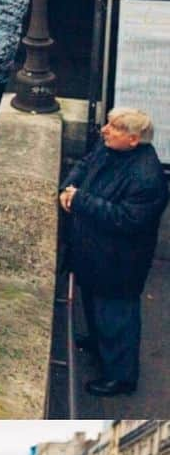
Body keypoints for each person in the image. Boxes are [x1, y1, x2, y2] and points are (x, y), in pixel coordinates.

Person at [59, 106, 168, 397]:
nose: (104, 130)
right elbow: (85, 163)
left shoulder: (148, 177)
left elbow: (126, 219)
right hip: (97, 255)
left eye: (114, 127)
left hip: (119, 263)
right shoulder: (111, 148)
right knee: (97, 306)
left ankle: (121, 377)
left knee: (117, 316)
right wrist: (69, 187)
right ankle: (99, 344)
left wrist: (78, 199)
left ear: (133, 140)